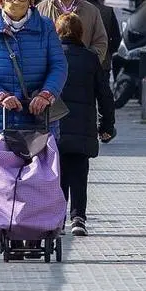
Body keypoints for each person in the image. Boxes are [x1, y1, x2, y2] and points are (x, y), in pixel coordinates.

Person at [0, 0, 67, 257]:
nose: (15, 1)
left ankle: (37, 228)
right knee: (6, 178)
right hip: (3, 118)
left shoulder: (45, 27)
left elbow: (58, 67)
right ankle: (8, 224)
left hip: (39, 119)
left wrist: (46, 94)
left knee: (40, 178)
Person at [55, 13, 114, 237]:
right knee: (79, 173)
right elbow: (105, 95)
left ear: (57, 32)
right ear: (81, 33)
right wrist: (106, 125)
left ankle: (57, 218)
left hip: (55, 127)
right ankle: (78, 218)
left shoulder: (52, 57)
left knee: (56, 173)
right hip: (83, 127)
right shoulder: (90, 58)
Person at [36, 0, 108, 63]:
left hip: (81, 73)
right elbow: (33, 41)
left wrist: (88, 62)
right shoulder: (40, 10)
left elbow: (100, 42)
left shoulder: (91, 11)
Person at [82, 0, 119, 143]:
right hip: (103, 61)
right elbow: (116, 37)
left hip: (82, 61)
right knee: (104, 95)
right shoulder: (108, 12)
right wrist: (109, 52)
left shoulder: (79, 11)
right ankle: (105, 127)